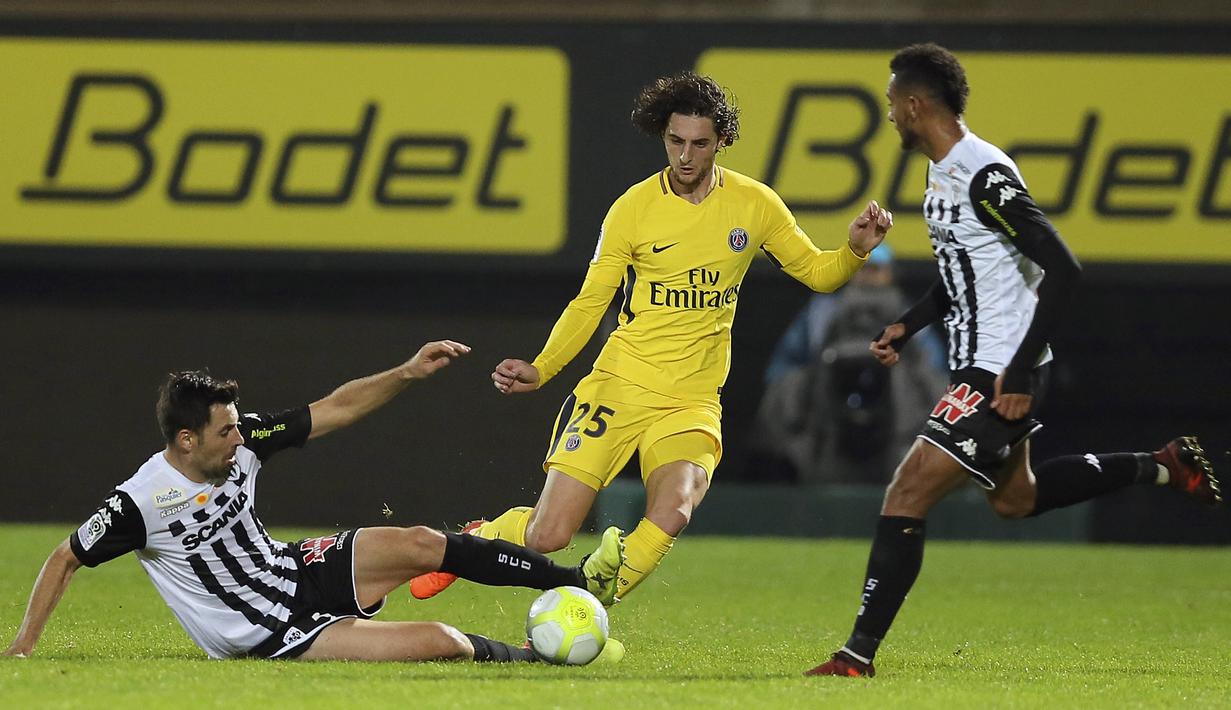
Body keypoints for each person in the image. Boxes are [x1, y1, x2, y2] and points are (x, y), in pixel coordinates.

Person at [806, 43, 1222, 678]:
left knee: (906, 491)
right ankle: (1160, 466)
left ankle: (855, 657)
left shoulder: (982, 173)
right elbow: (963, 271)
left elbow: (1062, 264)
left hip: (1001, 365)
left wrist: (1020, 370)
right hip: (985, 360)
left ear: (916, 105)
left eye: (893, 103)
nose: (890, 115)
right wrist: (908, 323)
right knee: (1017, 499)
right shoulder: (942, 172)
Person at [409, 71, 893, 604]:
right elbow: (591, 301)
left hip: (690, 401)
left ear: (721, 142)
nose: (685, 156)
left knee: (673, 509)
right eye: (675, 141)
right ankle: (477, 538)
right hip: (619, 386)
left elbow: (818, 274)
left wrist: (853, 250)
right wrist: (543, 367)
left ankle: (584, 607)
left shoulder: (754, 205)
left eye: (699, 143)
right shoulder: (632, 209)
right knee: (549, 536)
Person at [3, 340, 625, 663]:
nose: (241, 437)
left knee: (420, 542)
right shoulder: (143, 501)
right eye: (226, 432)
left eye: (240, 424)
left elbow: (335, 408)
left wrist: (406, 373)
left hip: (290, 568)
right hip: (267, 631)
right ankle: (536, 656)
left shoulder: (241, 440)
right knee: (440, 641)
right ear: (186, 440)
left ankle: (577, 581)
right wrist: (25, 644)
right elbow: (65, 556)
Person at [749, 243, 948, 483]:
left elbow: (936, 373)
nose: (869, 275)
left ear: (891, 273)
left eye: (876, 269)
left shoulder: (911, 317)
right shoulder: (821, 313)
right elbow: (782, 370)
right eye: (863, 268)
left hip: (897, 429)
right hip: (825, 429)